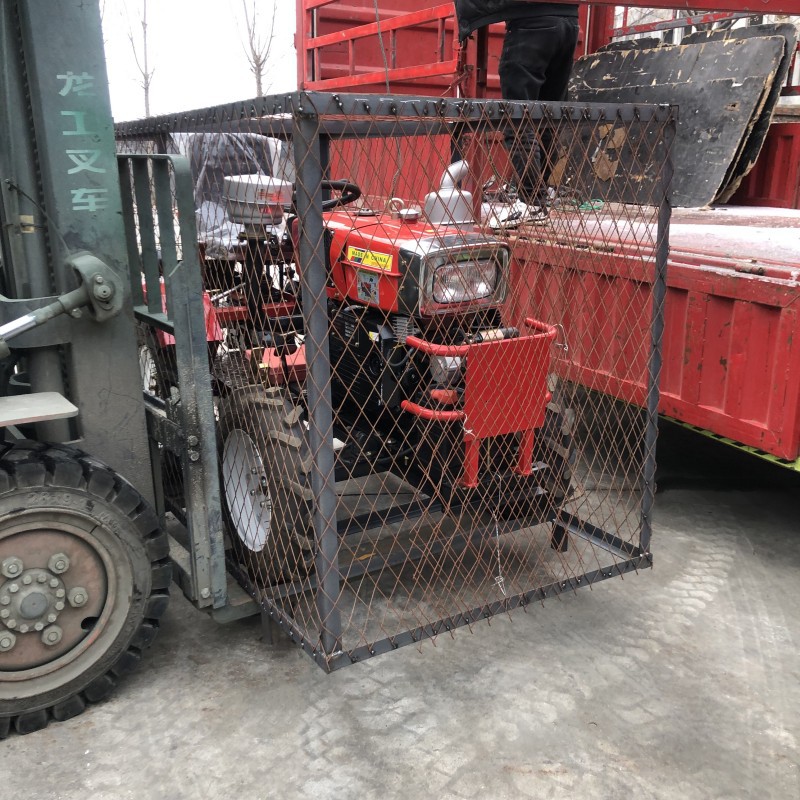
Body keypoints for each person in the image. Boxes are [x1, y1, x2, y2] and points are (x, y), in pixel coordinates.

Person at [454, 1, 580, 225]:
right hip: (569, 21)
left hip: (531, 21)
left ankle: (531, 202)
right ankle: (537, 199)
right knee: (548, 114)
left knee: (518, 117)